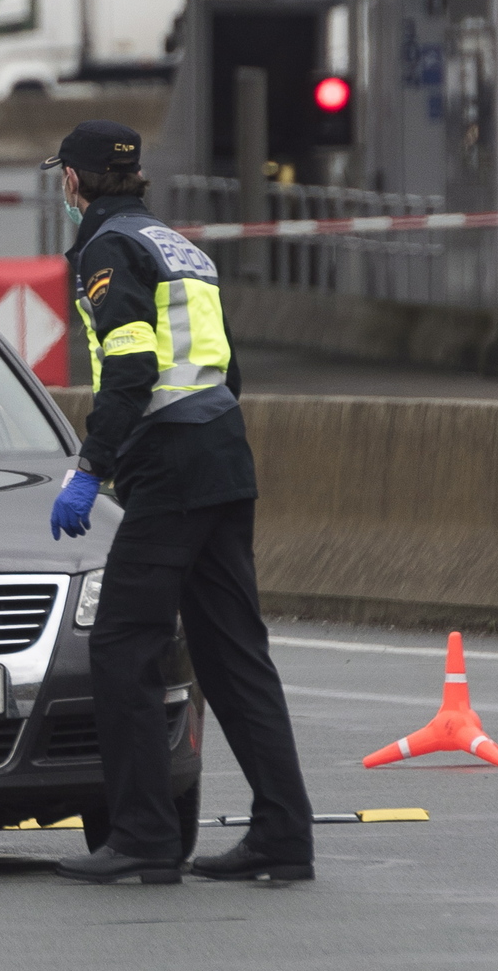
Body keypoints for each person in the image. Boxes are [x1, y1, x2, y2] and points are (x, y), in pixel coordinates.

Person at [43, 119, 316, 886]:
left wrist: (93, 467)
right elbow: (228, 369)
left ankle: (143, 837)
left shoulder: (107, 249)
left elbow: (131, 365)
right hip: (223, 453)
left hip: (169, 461)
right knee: (233, 654)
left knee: (122, 645)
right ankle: (283, 834)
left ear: (74, 180)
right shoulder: (179, 246)